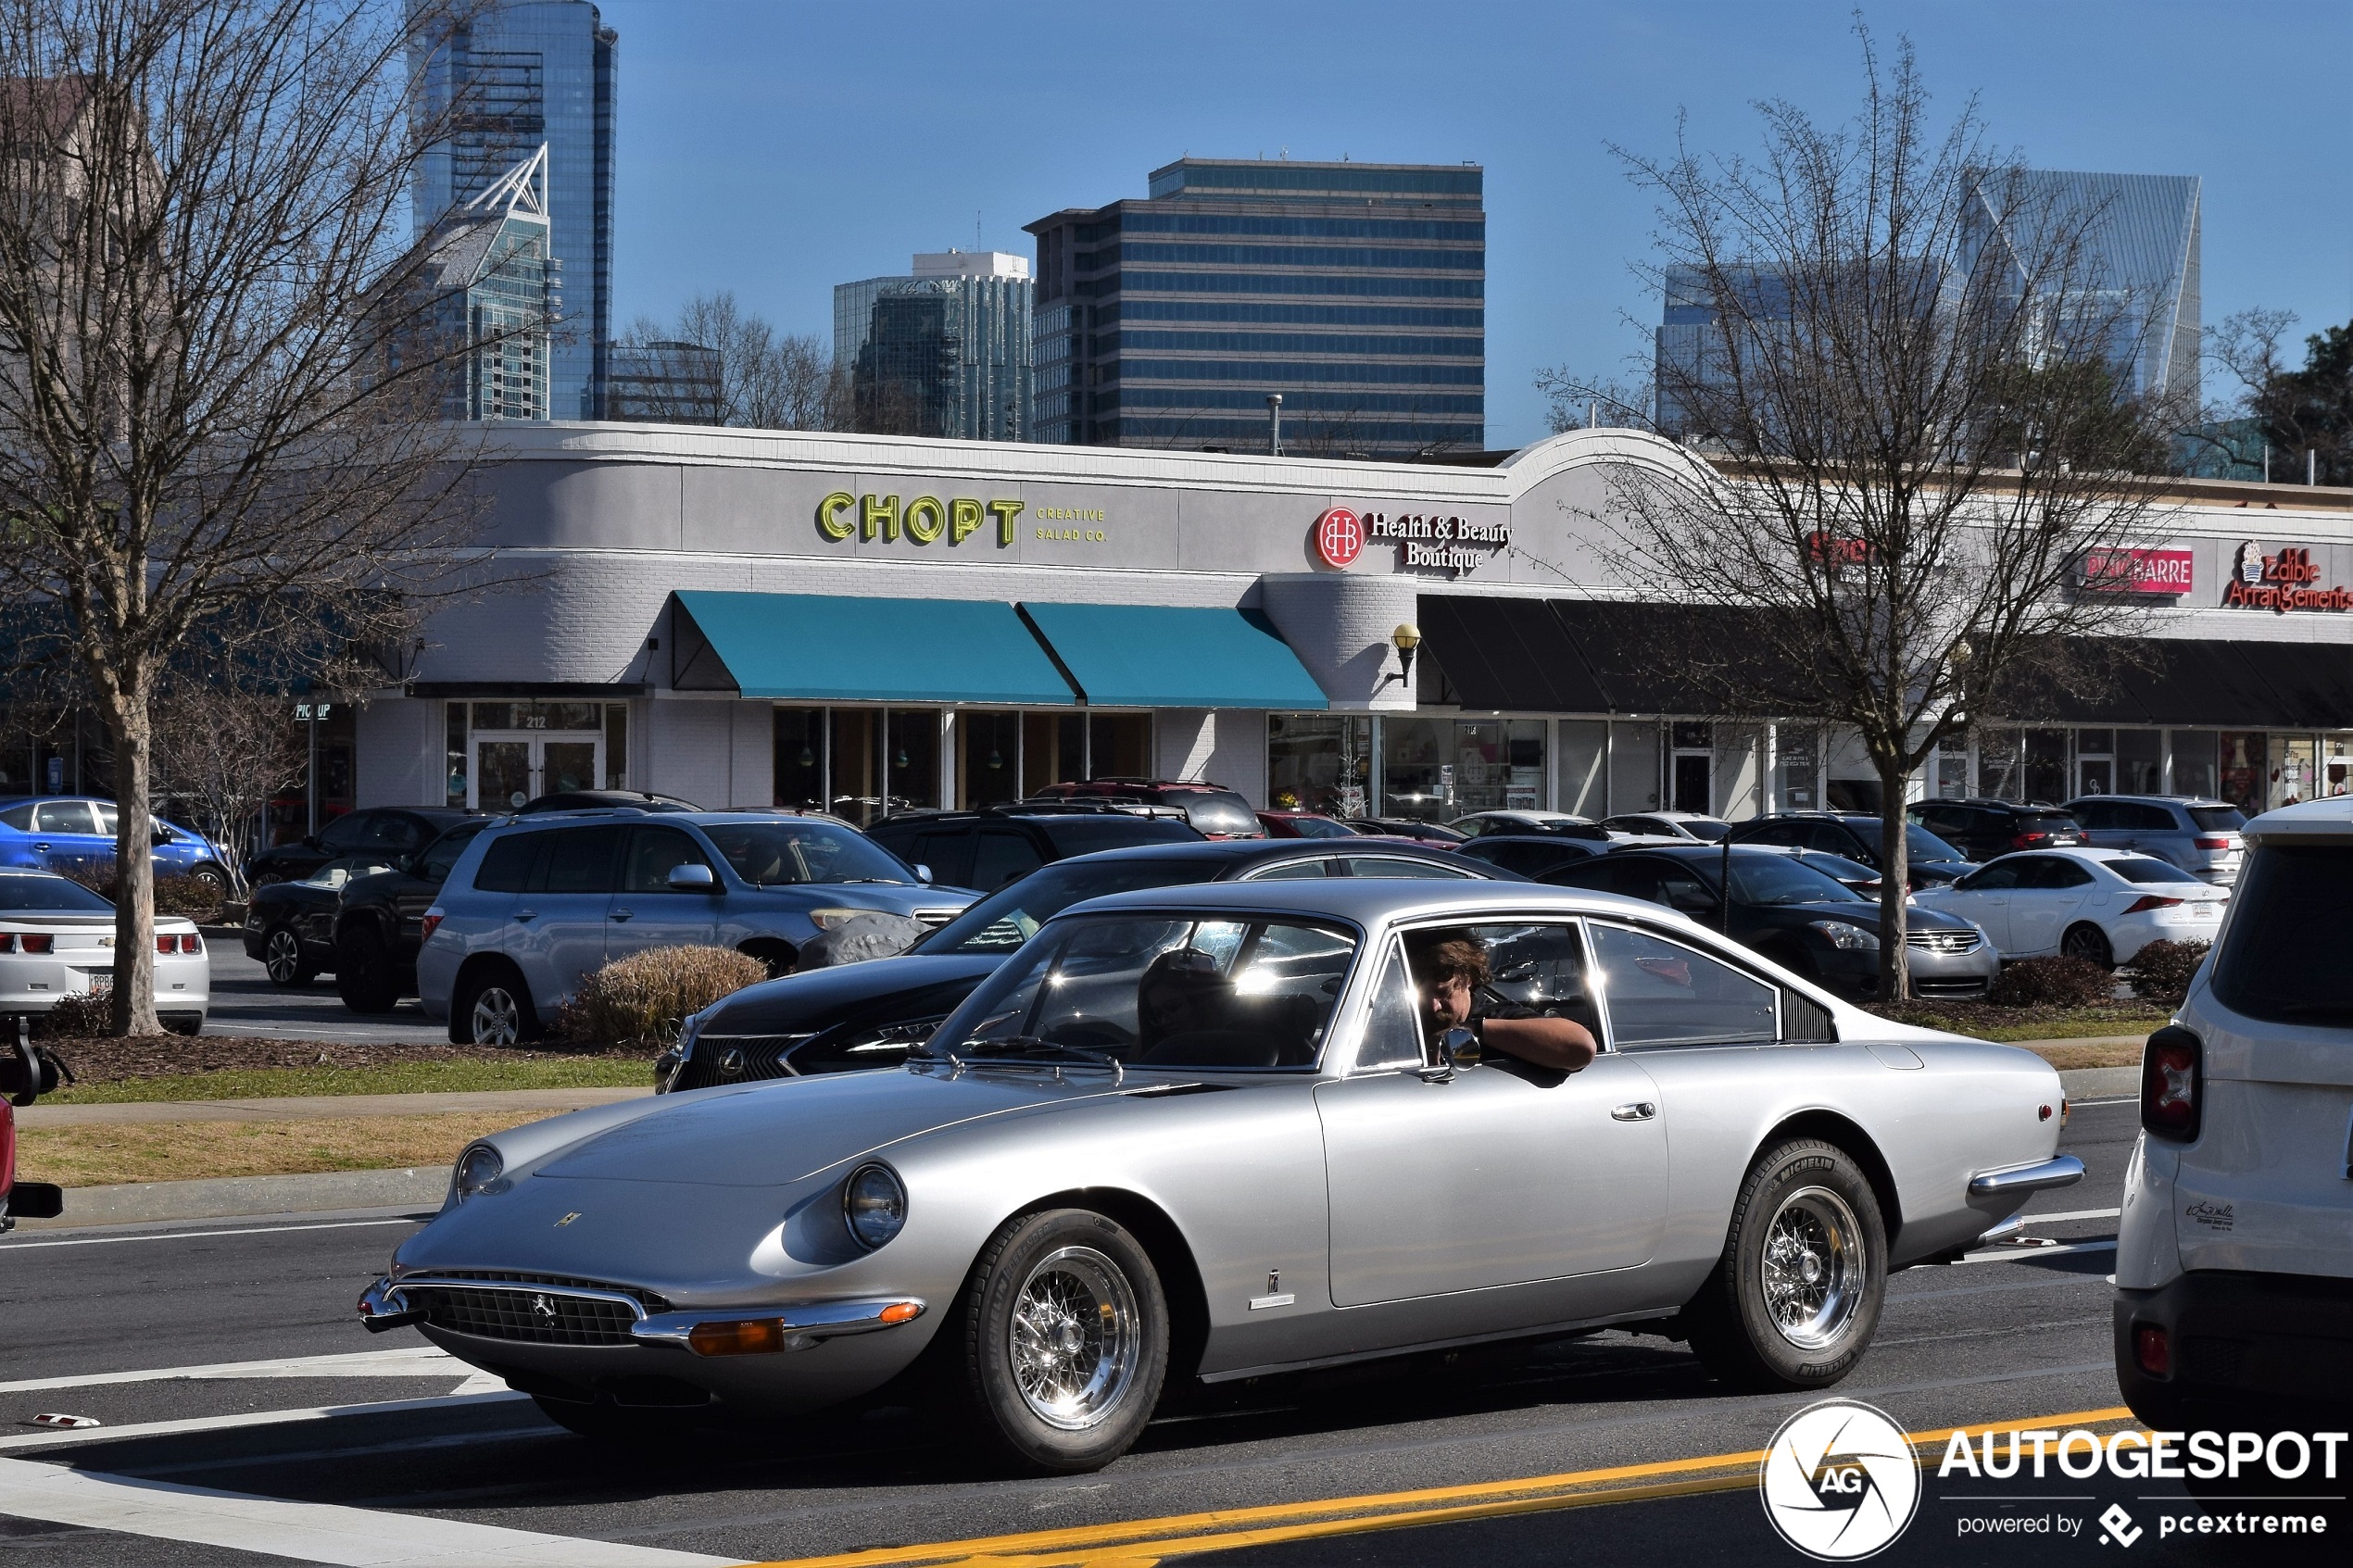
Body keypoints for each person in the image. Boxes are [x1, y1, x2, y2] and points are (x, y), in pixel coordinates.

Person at [1406, 932, 1597, 1073]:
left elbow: (1581, 1047)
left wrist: (1475, 1029)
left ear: (1468, 979)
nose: (1433, 1006)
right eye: (1420, 997)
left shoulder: (1496, 1017)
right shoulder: (1400, 1025)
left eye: (1443, 992)